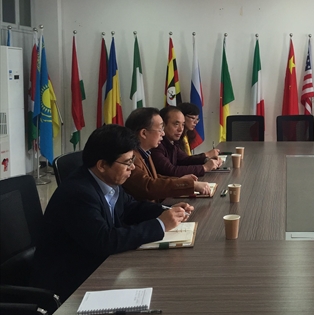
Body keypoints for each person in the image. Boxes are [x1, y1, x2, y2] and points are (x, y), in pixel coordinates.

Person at [31, 125, 193, 300]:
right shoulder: (79, 194)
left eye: (133, 160)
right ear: (102, 165)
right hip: (71, 282)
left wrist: (168, 210)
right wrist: (160, 225)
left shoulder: (106, 181)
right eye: (127, 162)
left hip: (97, 266)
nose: (133, 167)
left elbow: (130, 208)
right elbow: (105, 241)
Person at [123, 107, 211, 201]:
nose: (163, 134)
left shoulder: (145, 152)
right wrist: (190, 185)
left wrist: (179, 180)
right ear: (144, 133)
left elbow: (155, 177)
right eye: (160, 129)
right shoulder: (130, 158)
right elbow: (149, 186)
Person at [152, 106, 221, 177]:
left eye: (183, 124)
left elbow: (185, 160)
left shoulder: (173, 142)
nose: (181, 129)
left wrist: (206, 160)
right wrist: (204, 168)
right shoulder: (156, 145)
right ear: (163, 125)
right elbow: (171, 171)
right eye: (176, 124)